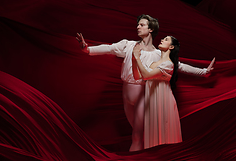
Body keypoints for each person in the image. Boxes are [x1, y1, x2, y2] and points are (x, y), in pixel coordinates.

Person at [76, 14, 215, 151]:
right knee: (139, 133)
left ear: (151, 29)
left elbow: (179, 65)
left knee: (137, 135)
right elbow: (109, 48)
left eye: (142, 25)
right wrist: (88, 49)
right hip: (126, 94)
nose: (138, 27)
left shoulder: (158, 54)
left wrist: (203, 71)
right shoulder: (128, 45)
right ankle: (143, 160)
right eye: (138, 24)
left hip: (143, 95)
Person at [132, 36, 182, 149]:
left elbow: (146, 75)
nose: (162, 40)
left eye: (166, 40)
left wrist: (137, 58)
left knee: (165, 131)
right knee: (153, 131)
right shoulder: (153, 64)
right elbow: (137, 76)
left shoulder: (169, 64)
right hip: (152, 102)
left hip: (164, 102)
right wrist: (134, 59)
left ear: (171, 47)